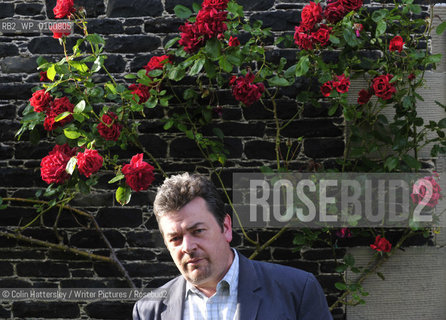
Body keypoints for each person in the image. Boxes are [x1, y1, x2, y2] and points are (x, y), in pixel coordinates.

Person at [133, 173, 333, 320]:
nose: (187, 246)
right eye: (175, 238)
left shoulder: (296, 290)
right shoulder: (149, 311)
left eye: (198, 231)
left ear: (226, 227)